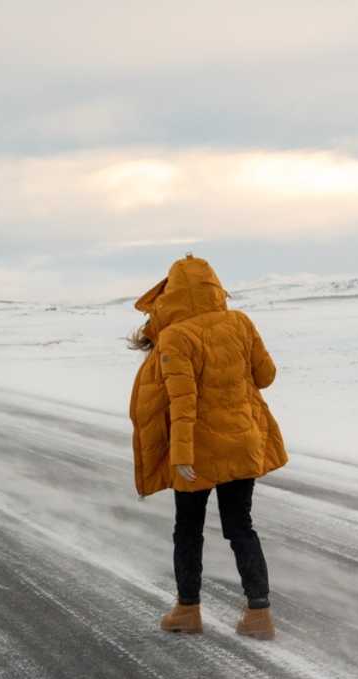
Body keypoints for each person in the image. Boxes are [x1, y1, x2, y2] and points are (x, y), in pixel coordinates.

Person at [128, 253, 288, 640]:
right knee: (241, 527)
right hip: (243, 441)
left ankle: (187, 610)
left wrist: (180, 457)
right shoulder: (240, 322)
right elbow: (265, 376)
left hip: (196, 454)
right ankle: (259, 614)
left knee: (188, 530)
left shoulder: (176, 336)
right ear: (215, 287)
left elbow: (182, 402)